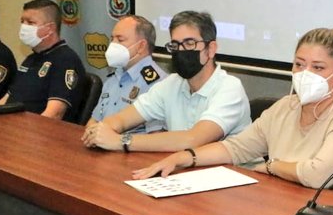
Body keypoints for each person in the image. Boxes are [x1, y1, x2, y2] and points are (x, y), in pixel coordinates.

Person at [132, 27, 333, 196]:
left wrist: (272, 167)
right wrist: (184, 157)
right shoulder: (285, 107)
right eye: (299, 64)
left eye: (318, 67)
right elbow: (236, 148)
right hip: (284, 208)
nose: (305, 73)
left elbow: (317, 176)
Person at [82, 10, 250, 153]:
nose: (181, 51)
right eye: (175, 45)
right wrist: (102, 131)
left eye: (189, 43)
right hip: (188, 173)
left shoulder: (229, 87)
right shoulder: (171, 84)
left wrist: (122, 141)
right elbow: (122, 119)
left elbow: (193, 140)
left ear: (211, 49)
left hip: (237, 178)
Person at [0, 0, 85, 119]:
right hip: (13, 126)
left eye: (30, 22)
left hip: (40, 132)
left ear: (49, 29)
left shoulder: (66, 60)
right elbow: (7, 99)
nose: (24, 27)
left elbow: (54, 114)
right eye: (22, 21)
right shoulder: (30, 59)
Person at [88, 15, 167, 133]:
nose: (113, 45)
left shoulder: (158, 84)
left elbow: (156, 137)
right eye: (112, 39)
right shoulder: (113, 78)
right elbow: (94, 121)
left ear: (141, 46)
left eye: (120, 40)